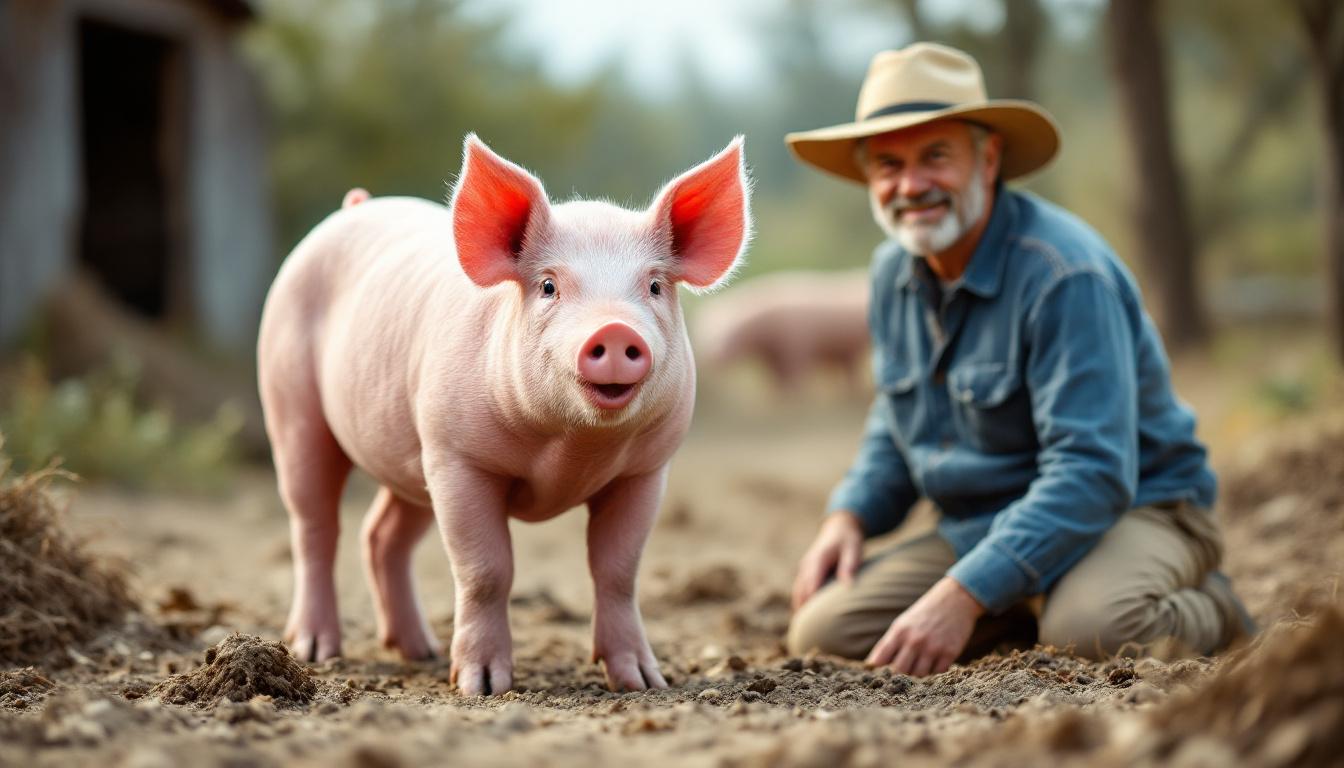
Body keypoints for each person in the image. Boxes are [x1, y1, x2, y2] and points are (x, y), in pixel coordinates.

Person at [782, 42, 1252, 677]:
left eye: (935, 157)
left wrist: (962, 593)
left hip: (1134, 507)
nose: (910, 186)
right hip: (986, 523)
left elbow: (1093, 473)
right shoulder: (891, 274)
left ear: (989, 157)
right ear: (868, 178)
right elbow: (896, 426)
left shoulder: (1064, 275)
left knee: (1098, 630)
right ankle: (1027, 596)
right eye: (889, 165)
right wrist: (849, 514)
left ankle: (1211, 607)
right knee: (826, 630)